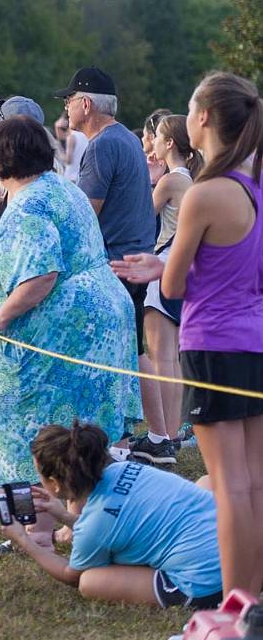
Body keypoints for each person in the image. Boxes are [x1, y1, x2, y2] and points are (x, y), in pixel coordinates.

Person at [113, 71, 263, 596]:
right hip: (253, 343)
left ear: (203, 118)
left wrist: (163, 268)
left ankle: (232, 602)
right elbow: (239, 270)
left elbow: (175, 284)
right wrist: (161, 267)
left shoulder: (204, 193)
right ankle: (252, 601)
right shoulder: (254, 189)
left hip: (213, 345)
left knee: (230, 487)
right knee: (253, 484)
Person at [0, 117, 138, 546]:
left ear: (0, 159)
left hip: (56, 337)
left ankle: (33, 532)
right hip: (98, 322)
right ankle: (88, 524)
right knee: (81, 435)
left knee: (25, 437)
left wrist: (0, 317)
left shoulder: (28, 206)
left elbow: (41, 274)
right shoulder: (60, 187)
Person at [0, 422, 222, 608]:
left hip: (206, 584)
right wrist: (64, 516)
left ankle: (188, 590)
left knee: (90, 581)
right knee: (204, 483)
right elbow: (121, 517)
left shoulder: (93, 528)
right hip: (237, 551)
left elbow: (71, 575)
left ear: (55, 483)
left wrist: (24, 541)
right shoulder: (123, 469)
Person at [58, 66, 156, 374]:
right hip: (133, 261)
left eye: (69, 99)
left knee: (106, 360)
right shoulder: (125, 137)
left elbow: (85, 215)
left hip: (114, 266)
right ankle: (158, 425)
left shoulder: (102, 145)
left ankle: (117, 424)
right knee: (135, 354)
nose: (65, 107)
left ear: (85, 105)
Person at [130, 114, 201, 464]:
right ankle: (172, 432)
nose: (153, 143)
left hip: (164, 265)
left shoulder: (172, 180)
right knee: (170, 356)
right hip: (181, 265)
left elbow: (143, 214)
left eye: (157, 136)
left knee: (161, 358)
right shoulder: (187, 178)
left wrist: (147, 182)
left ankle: (165, 435)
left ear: (170, 142)